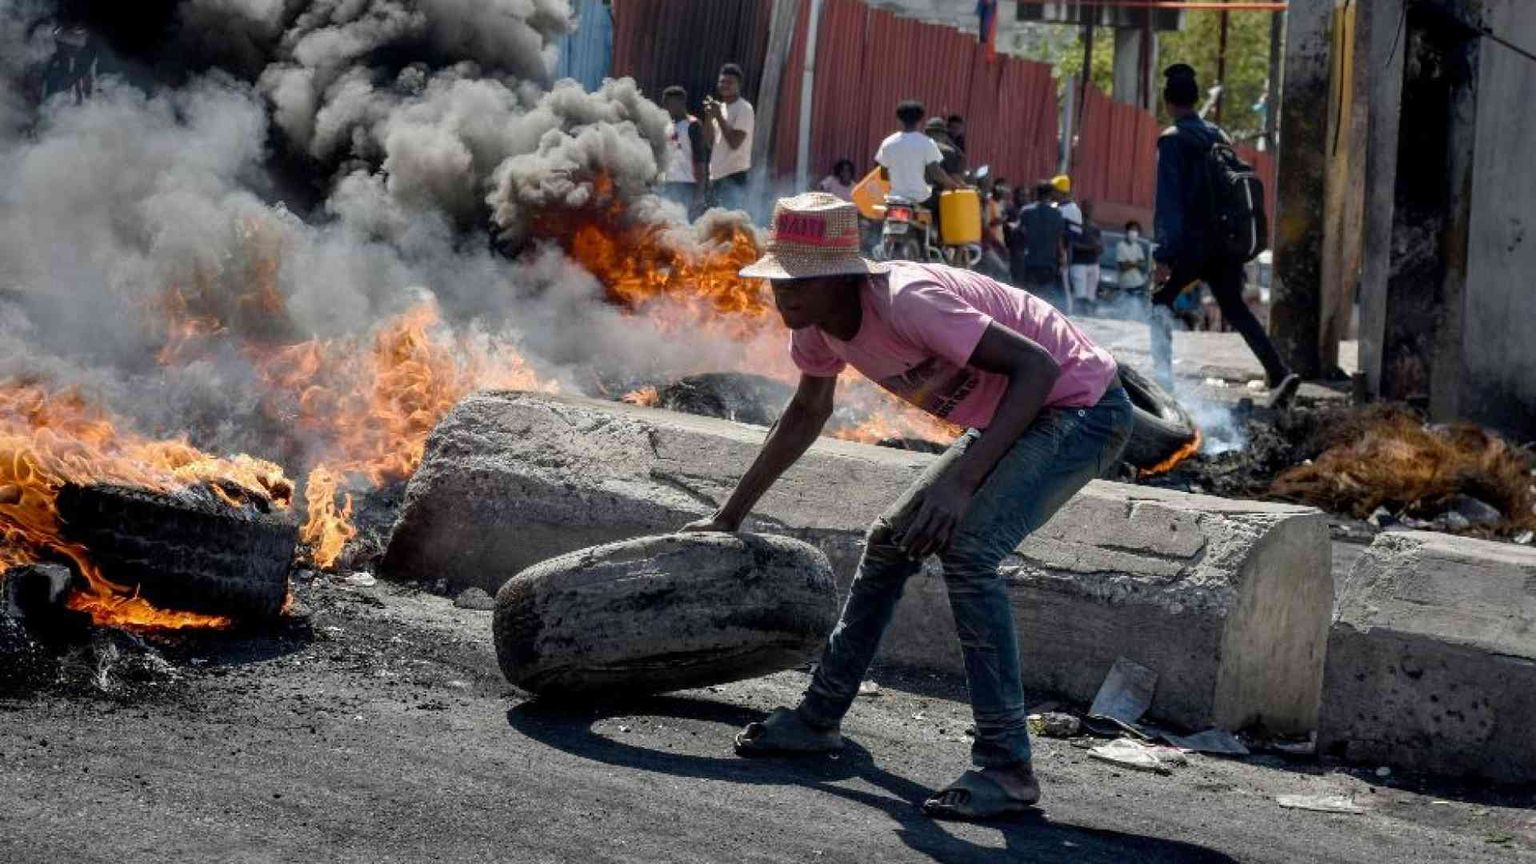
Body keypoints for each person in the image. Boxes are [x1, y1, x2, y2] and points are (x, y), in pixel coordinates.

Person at [685, 192, 1132, 822]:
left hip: (1080, 405)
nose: (781, 297)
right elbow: (808, 413)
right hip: (1016, 414)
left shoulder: (907, 301)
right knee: (892, 540)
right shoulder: (815, 328)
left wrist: (959, 485)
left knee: (969, 550)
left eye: (797, 283)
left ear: (843, 276)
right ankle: (819, 717)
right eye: (775, 281)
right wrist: (730, 515)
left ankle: (1006, 768)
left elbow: (1036, 368)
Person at [1151, 63, 1299, 404]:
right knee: (1234, 307)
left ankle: (1162, 384)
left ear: (1168, 102)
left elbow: (1169, 202)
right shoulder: (1218, 135)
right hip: (1226, 241)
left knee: (1160, 302)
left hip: (1192, 244)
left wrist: (1163, 254)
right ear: (1195, 98)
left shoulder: (1172, 141)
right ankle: (1278, 372)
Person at [875, 100, 964, 245]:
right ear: (920, 119)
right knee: (943, 207)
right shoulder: (926, 143)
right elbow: (936, 172)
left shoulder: (888, 143)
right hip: (922, 198)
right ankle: (939, 243)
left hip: (895, 197)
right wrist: (953, 185)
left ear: (899, 119)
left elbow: (882, 172)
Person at [704, 63, 755, 212]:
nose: (724, 85)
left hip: (733, 176)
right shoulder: (720, 108)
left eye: (729, 82)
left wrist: (718, 117)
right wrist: (709, 116)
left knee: (728, 226)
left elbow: (734, 143)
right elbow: (709, 143)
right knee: (714, 226)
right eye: (722, 81)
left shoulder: (744, 108)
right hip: (716, 176)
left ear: (739, 85)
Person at [1014, 182, 1069, 311]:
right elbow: (1059, 240)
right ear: (1050, 195)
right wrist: (1062, 259)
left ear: (1037, 194)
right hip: (1049, 262)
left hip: (1031, 260)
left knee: (1030, 296)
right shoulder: (1057, 214)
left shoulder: (1026, 211)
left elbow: (1018, 233)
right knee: (1046, 297)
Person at [658, 85, 709, 217]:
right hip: (667, 185)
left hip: (686, 185)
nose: (664, 107)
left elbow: (700, 160)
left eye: (668, 103)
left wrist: (699, 193)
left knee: (681, 225)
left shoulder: (692, 125)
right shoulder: (666, 125)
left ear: (680, 103)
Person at [1067, 200, 1103, 314]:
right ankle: (1078, 315)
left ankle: (1089, 315)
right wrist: (1090, 248)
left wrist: (1098, 248)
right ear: (1081, 209)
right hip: (1079, 264)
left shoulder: (1095, 228)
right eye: (1086, 207)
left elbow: (1100, 245)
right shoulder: (1075, 225)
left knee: (1090, 296)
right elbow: (1072, 244)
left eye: (1090, 207)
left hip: (1093, 264)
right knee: (1080, 294)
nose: (1089, 210)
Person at [1115, 220, 1150, 301]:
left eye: (1136, 230)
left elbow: (1143, 265)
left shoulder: (1138, 247)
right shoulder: (1121, 246)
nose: (1134, 232)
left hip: (1138, 283)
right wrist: (1136, 263)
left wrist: (1130, 263)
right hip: (1126, 284)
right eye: (1132, 230)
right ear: (1127, 231)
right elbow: (1123, 266)